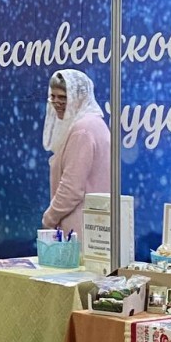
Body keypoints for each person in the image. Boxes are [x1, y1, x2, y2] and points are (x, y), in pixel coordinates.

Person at [41, 69, 110, 241]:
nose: (56, 102)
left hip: (78, 233)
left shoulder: (82, 130)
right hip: (96, 229)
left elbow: (71, 189)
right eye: (53, 96)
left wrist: (48, 219)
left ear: (77, 97)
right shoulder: (95, 124)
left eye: (63, 97)